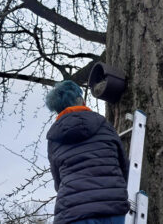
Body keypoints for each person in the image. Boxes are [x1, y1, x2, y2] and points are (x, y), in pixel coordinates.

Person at [45, 80, 130, 224]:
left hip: (72, 213)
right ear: (80, 100)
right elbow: (124, 166)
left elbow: (58, 182)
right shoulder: (103, 125)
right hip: (112, 207)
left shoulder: (54, 139)